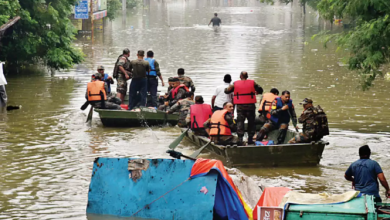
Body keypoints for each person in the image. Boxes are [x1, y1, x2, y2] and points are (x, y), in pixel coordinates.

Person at [225, 71, 263, 145]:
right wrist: (257, 92)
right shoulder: (253, 83)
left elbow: (226, 91)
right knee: (251, 122)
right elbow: (260, 90)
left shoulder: (235, 83)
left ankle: (240, 139)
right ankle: (250, 139)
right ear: (247, 76)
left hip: (240, 107)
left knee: (240, 122)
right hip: (250, 106)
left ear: (240, 76)